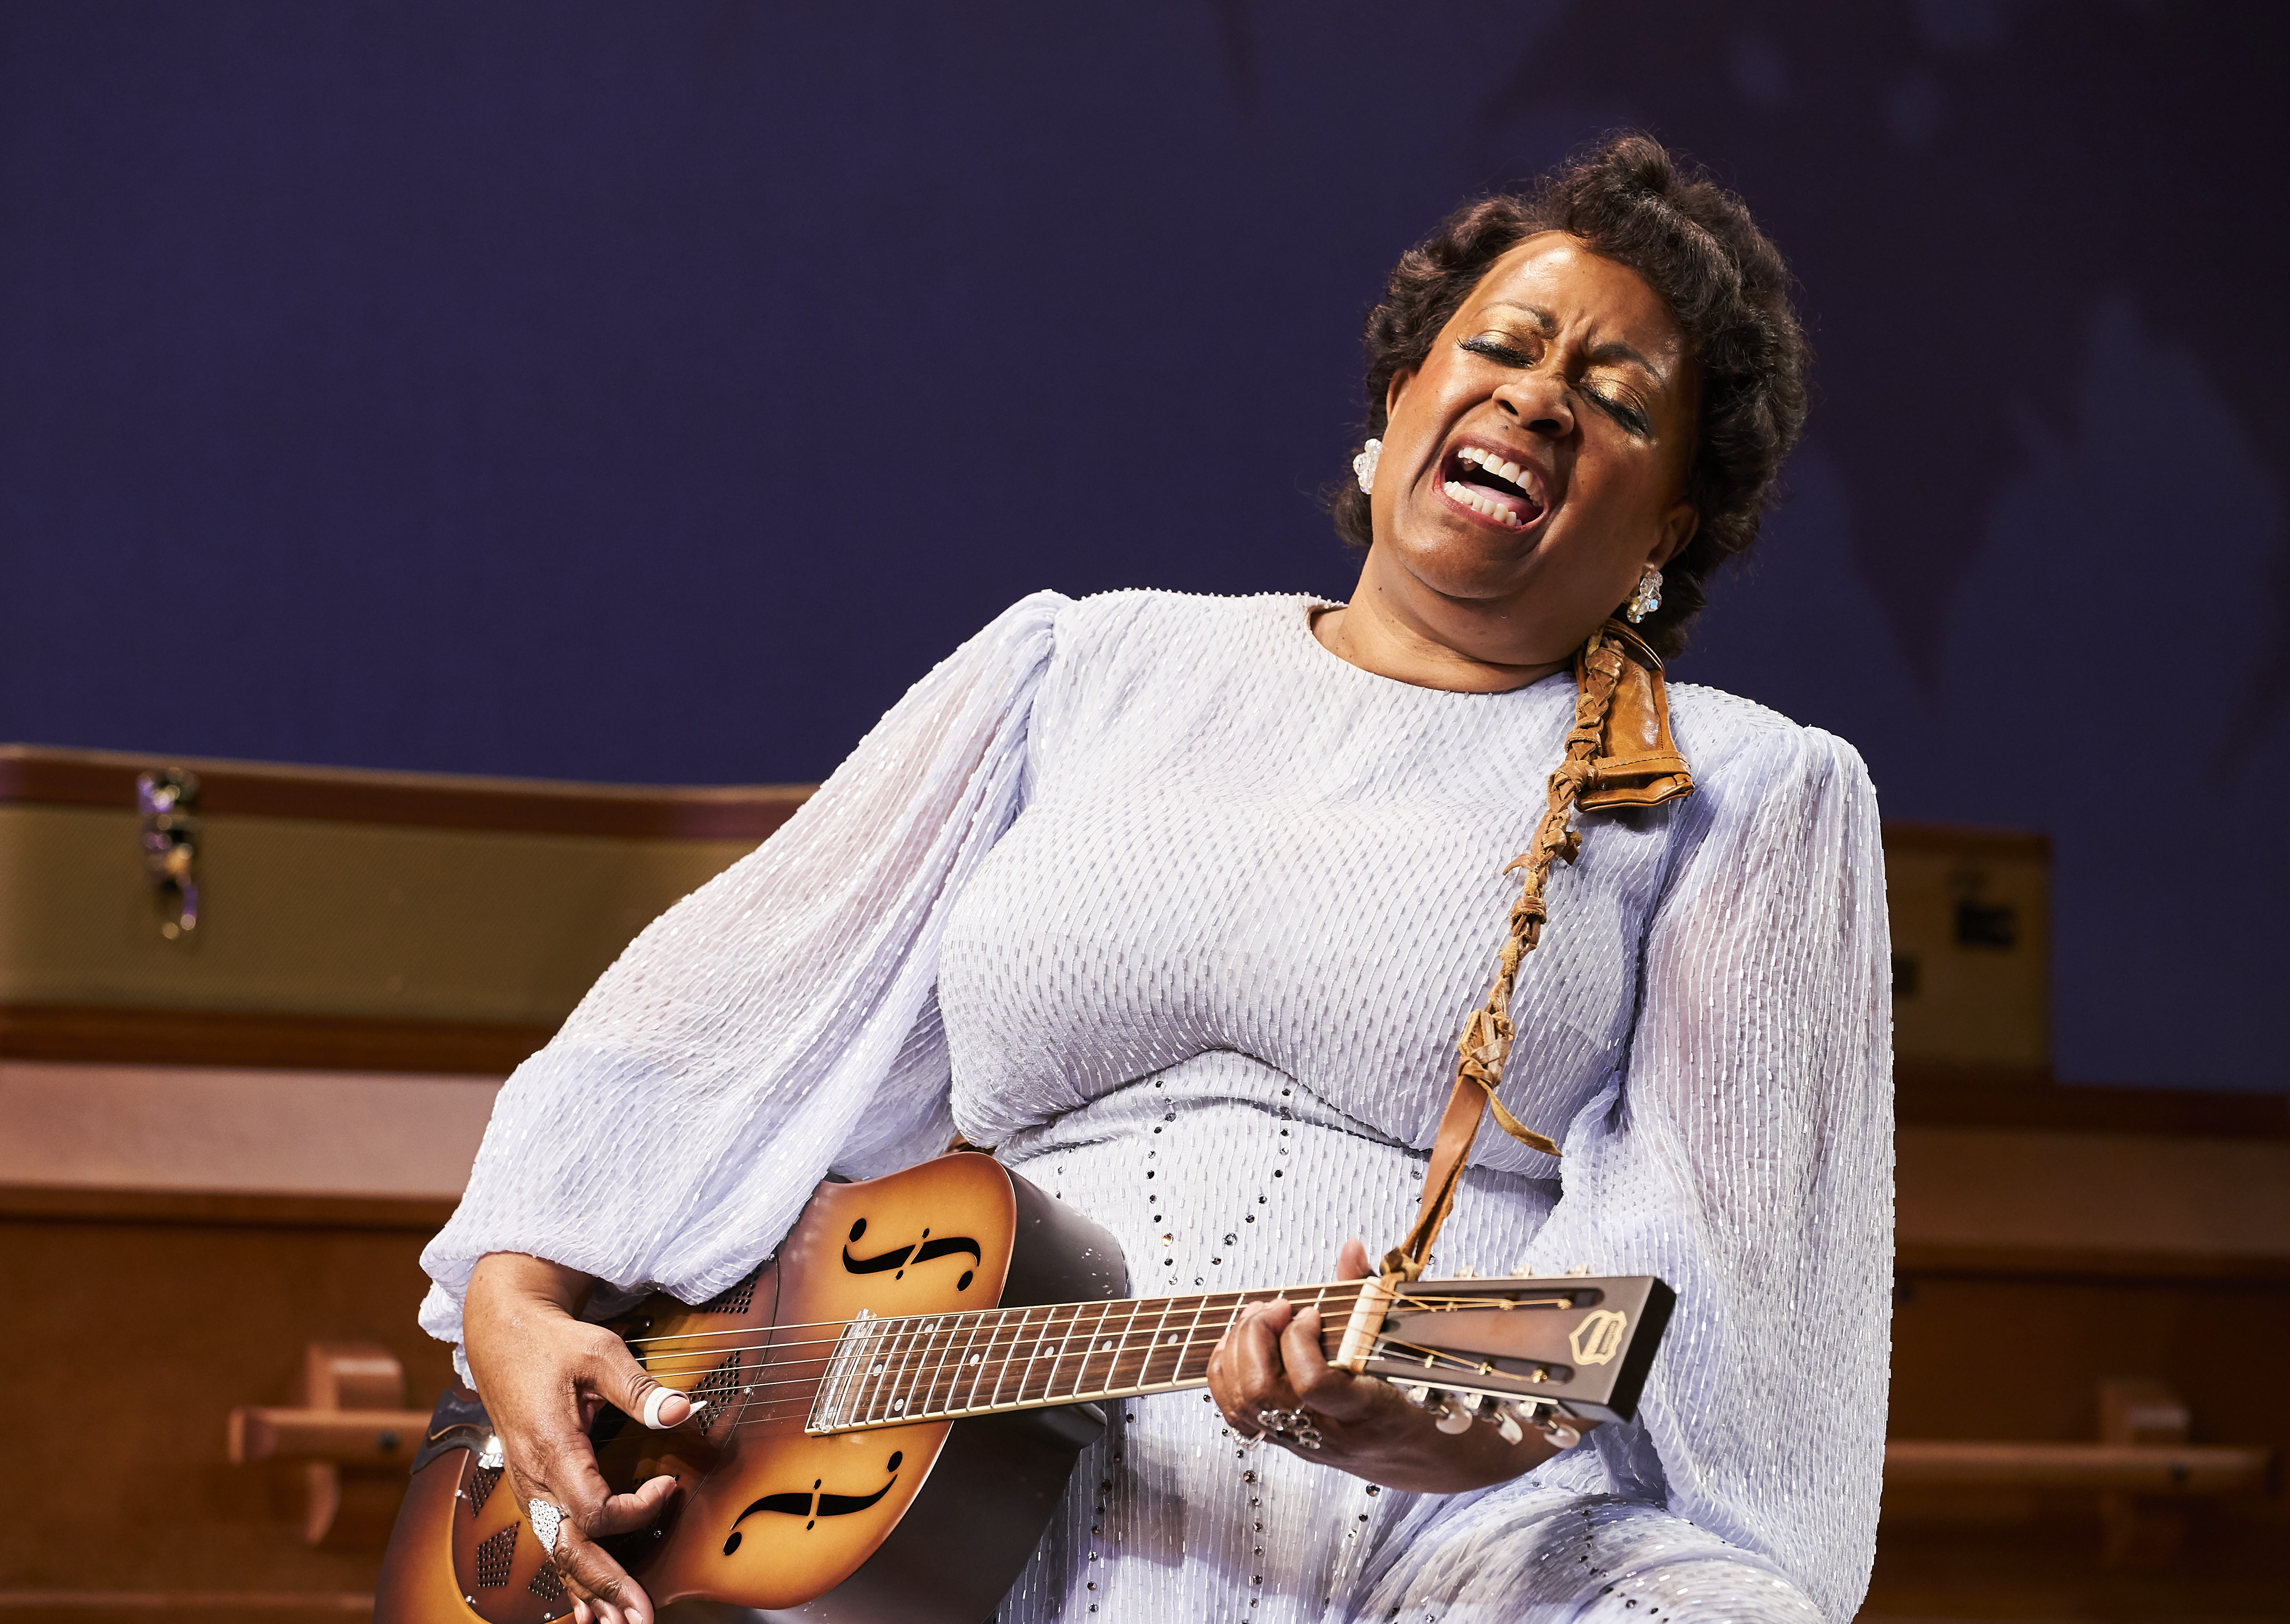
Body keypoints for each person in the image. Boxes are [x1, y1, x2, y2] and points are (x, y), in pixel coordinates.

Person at [420, 132, 1889, 1624]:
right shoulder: (1079, 666)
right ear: (1400, 399)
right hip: (921, 1481)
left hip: (1453, 1534)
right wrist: (517, 1300)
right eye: (1501, 345)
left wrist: (1438, 1434)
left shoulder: (1739, 793)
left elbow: (1701, 1284)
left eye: (1615, 399)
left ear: (1667, 532)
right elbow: (707, 1015)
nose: (1535, 396)